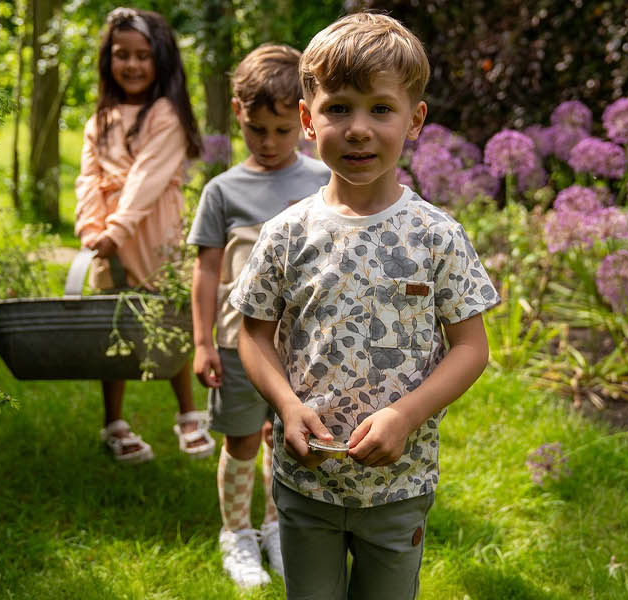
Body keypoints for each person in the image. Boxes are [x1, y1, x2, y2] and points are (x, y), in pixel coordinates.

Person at [229, 13, 499, 599]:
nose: (357, 129)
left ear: (414, 120)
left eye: (380, 109)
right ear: (308, 119)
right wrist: (286, 406)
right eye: (338, 109)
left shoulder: (436, 236)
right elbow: (253, 334)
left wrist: (406, 415)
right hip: (306, 482)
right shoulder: (286, 234)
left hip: (399, 486)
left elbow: (471, 348)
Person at [188, 44, 332, 588]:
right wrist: (203, 343)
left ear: (304, 118)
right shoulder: (222, 192)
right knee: (243, 440)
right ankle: (236, 534)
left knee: (287, 439)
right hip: (237, 346)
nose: (268, 143)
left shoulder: (323, 182)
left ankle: (275, 527)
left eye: (281, 131)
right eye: (256, 130)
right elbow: (206, 272)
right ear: (237, 114)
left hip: (303, 347)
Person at [74, 7, 212, 464]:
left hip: (153, 230)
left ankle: (187, 413)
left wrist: (116, 229)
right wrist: (92, 228)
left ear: (161, 59)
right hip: (110, 236)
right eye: (122, 55)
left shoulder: (165, 114)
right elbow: (89, 179)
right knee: (112, 324)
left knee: (167, 318)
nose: (132, 65)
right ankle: (113, 421)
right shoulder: (99, 119)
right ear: (108, 59)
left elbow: (146, 180)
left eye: (142, 55)